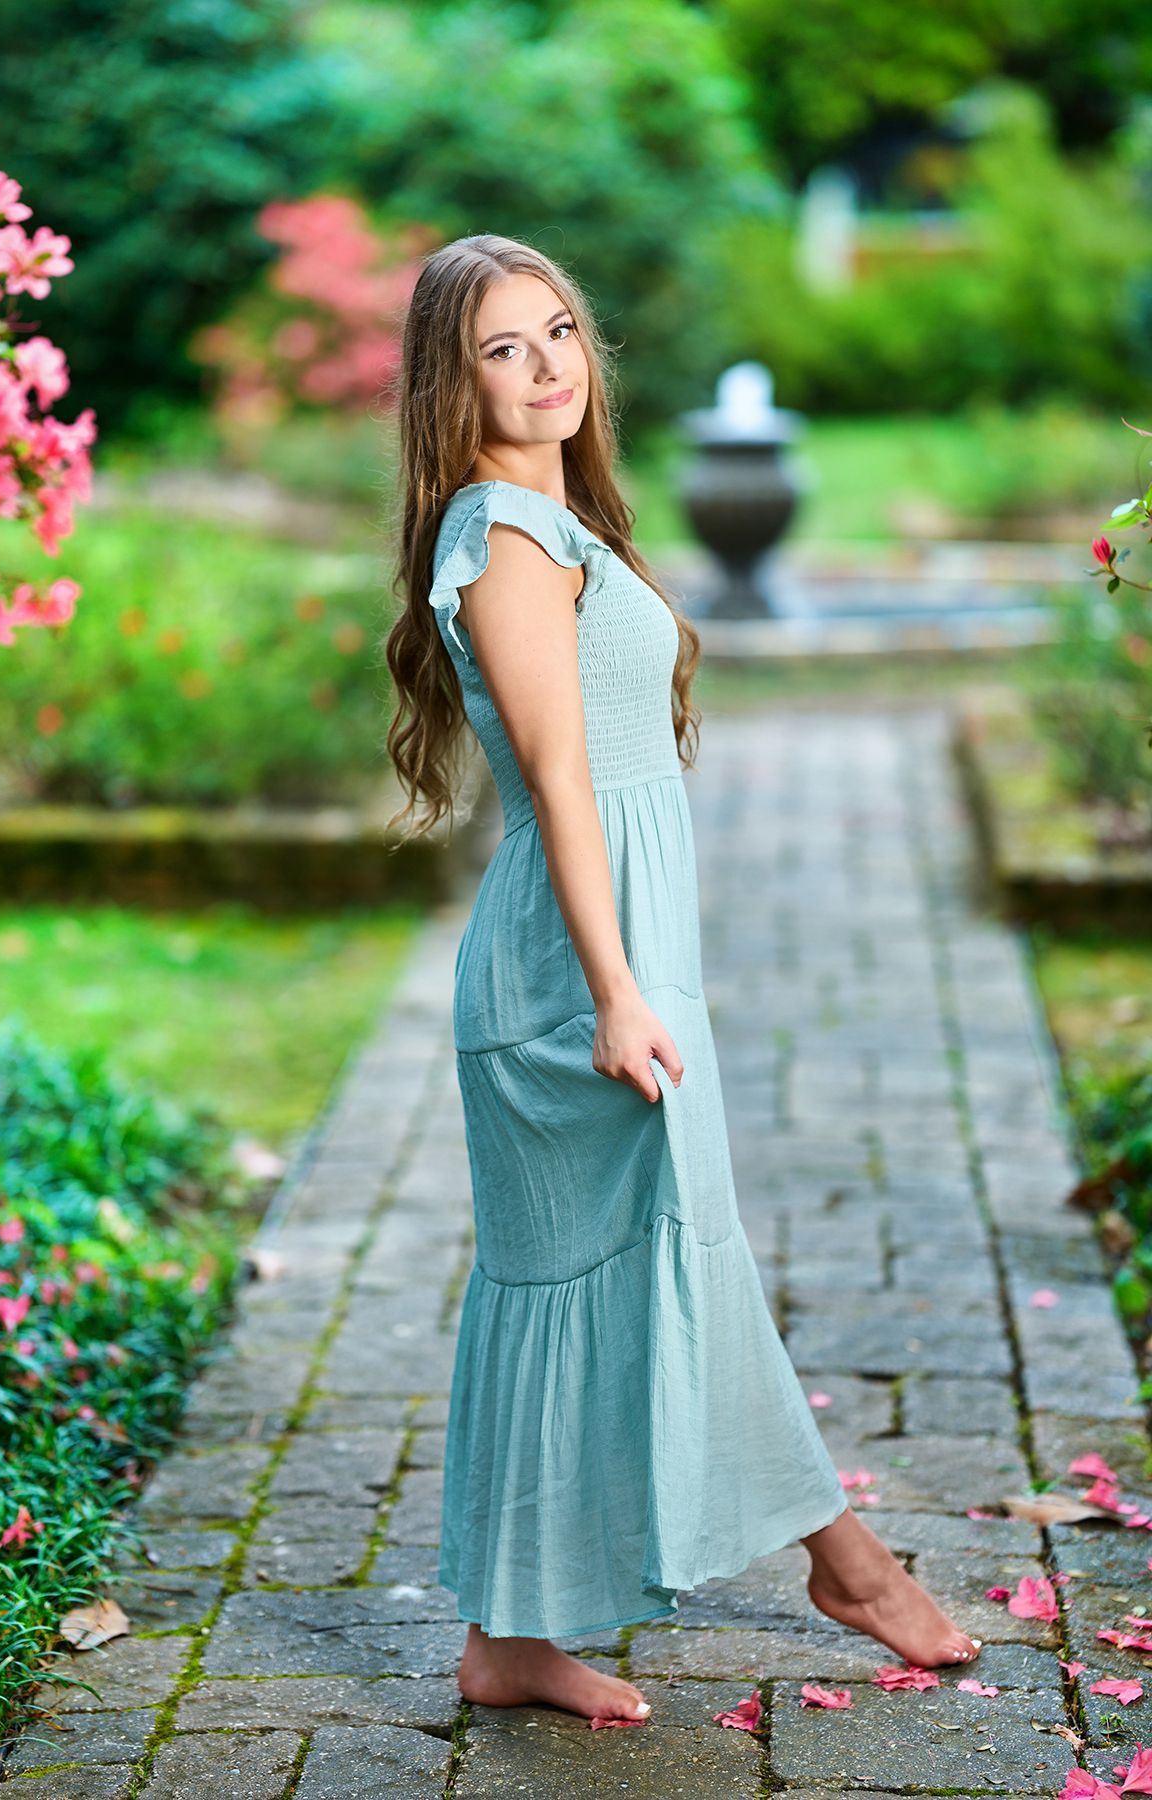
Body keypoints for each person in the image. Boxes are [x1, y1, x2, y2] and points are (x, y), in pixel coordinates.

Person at [384, 234, 981, 1727]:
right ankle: (847, 1561)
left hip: (616, 957)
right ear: (453, 385)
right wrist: (613, 988)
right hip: (575, 971)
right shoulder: (506, 539)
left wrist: (636, 974)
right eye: (505, 349)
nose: (548, 368)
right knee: (673, 1262)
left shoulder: (555, 521)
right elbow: (563, 784)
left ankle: (509, 1642)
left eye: (562, 331)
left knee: (612, 1274)